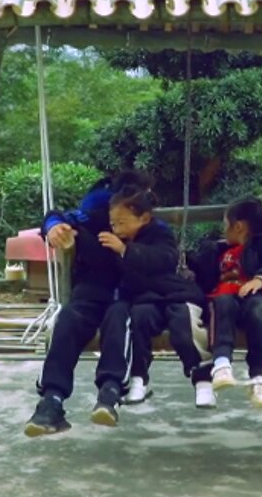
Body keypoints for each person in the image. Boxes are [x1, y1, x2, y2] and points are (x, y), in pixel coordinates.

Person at [23, 170, 152, 437]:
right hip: (90, 291)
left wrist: (127, 250)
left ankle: (110, 391)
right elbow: (58, 217)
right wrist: (54, 228)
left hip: (126, 296)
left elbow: (163, 258)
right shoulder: (95, 213)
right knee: (68, 318)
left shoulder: (152, 228)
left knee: (119, 319)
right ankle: (52, 398)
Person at [108, 186, 209, 410]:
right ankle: (138, 378)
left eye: (122, 223)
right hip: (146, 299)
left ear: (143, 218)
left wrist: (126, 251)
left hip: (174, 293)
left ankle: (202, 379)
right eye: (113, 223)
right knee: (139, 319)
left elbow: (164, 259)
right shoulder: (114, 243)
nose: (116, 229)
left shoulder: (160, 233)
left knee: (184, 324)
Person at [187, 197, 262, 409]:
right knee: (222, 303)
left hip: (253, 297)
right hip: (224, 298)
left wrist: (261, 279)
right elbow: (205, 275)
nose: (224, 231)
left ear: (239, 226)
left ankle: (260, 376)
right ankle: (222, 363)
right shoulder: (218, 250)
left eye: (226, 225)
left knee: (261, 311)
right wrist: (188, 263)